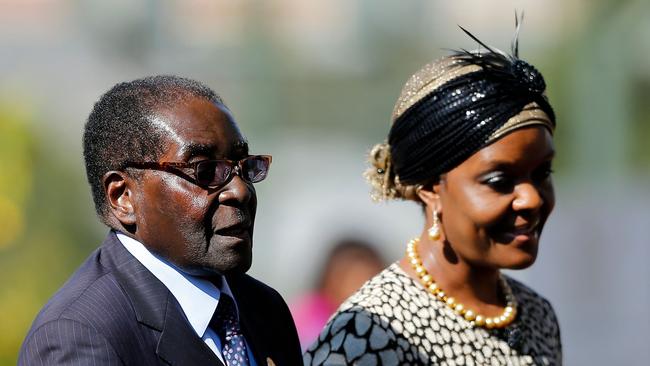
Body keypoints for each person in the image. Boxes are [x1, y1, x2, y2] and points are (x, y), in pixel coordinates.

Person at [304, 26, 563, 366]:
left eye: (541, 174)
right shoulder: (371, 332)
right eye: (500, 180)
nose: (531, 198)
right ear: (429, 187)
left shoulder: (536, 315)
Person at [19, 76, 303, 366]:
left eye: (243, 166)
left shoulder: (263, 309)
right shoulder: (80, 334)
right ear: (123, 197)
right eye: (205, 171)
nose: (239, 190)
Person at [290, 238, 385, 349]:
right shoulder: (306, 322)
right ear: (328, 281)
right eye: (351, 279)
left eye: (369, 280)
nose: (358, 289)